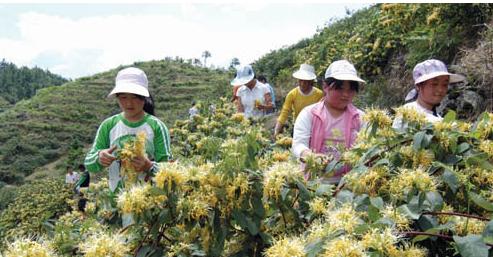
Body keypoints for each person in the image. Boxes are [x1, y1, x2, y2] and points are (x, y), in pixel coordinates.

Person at [84, 67, 172, 192]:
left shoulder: (157, 126)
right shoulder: (108, 125)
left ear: (144, 98)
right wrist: (99, 157)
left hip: (151, 203)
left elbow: (169, 170)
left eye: (135, 97)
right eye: (123, 97)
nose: (129, 104)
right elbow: (89, 164)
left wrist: (149, 166)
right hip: (116, 203)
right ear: (117, 97)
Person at [292, 60, 365, 183]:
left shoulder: (361, 118)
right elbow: (298, 144)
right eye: (340, 89)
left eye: (351, 89)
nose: (346, 94)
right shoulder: (309, 114)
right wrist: (310, 155)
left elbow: (368, 149)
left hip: (348, 185)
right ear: (325, 87)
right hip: (315, 183)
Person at [393, 59, 466, 127]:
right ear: (418, 86)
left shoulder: (438, 117)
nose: (440, 89)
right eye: (434, 84)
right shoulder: (407, 112)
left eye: (444, 85)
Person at [274, 64, 324, 137]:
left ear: (311, 82)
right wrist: (276, 131)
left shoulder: (319, 94)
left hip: (314, 127)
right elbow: (285, 112)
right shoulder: (292, 94)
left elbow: (323, 113)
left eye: (306, 81)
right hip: (298, 126)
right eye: (300, 81)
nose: (302, 84)